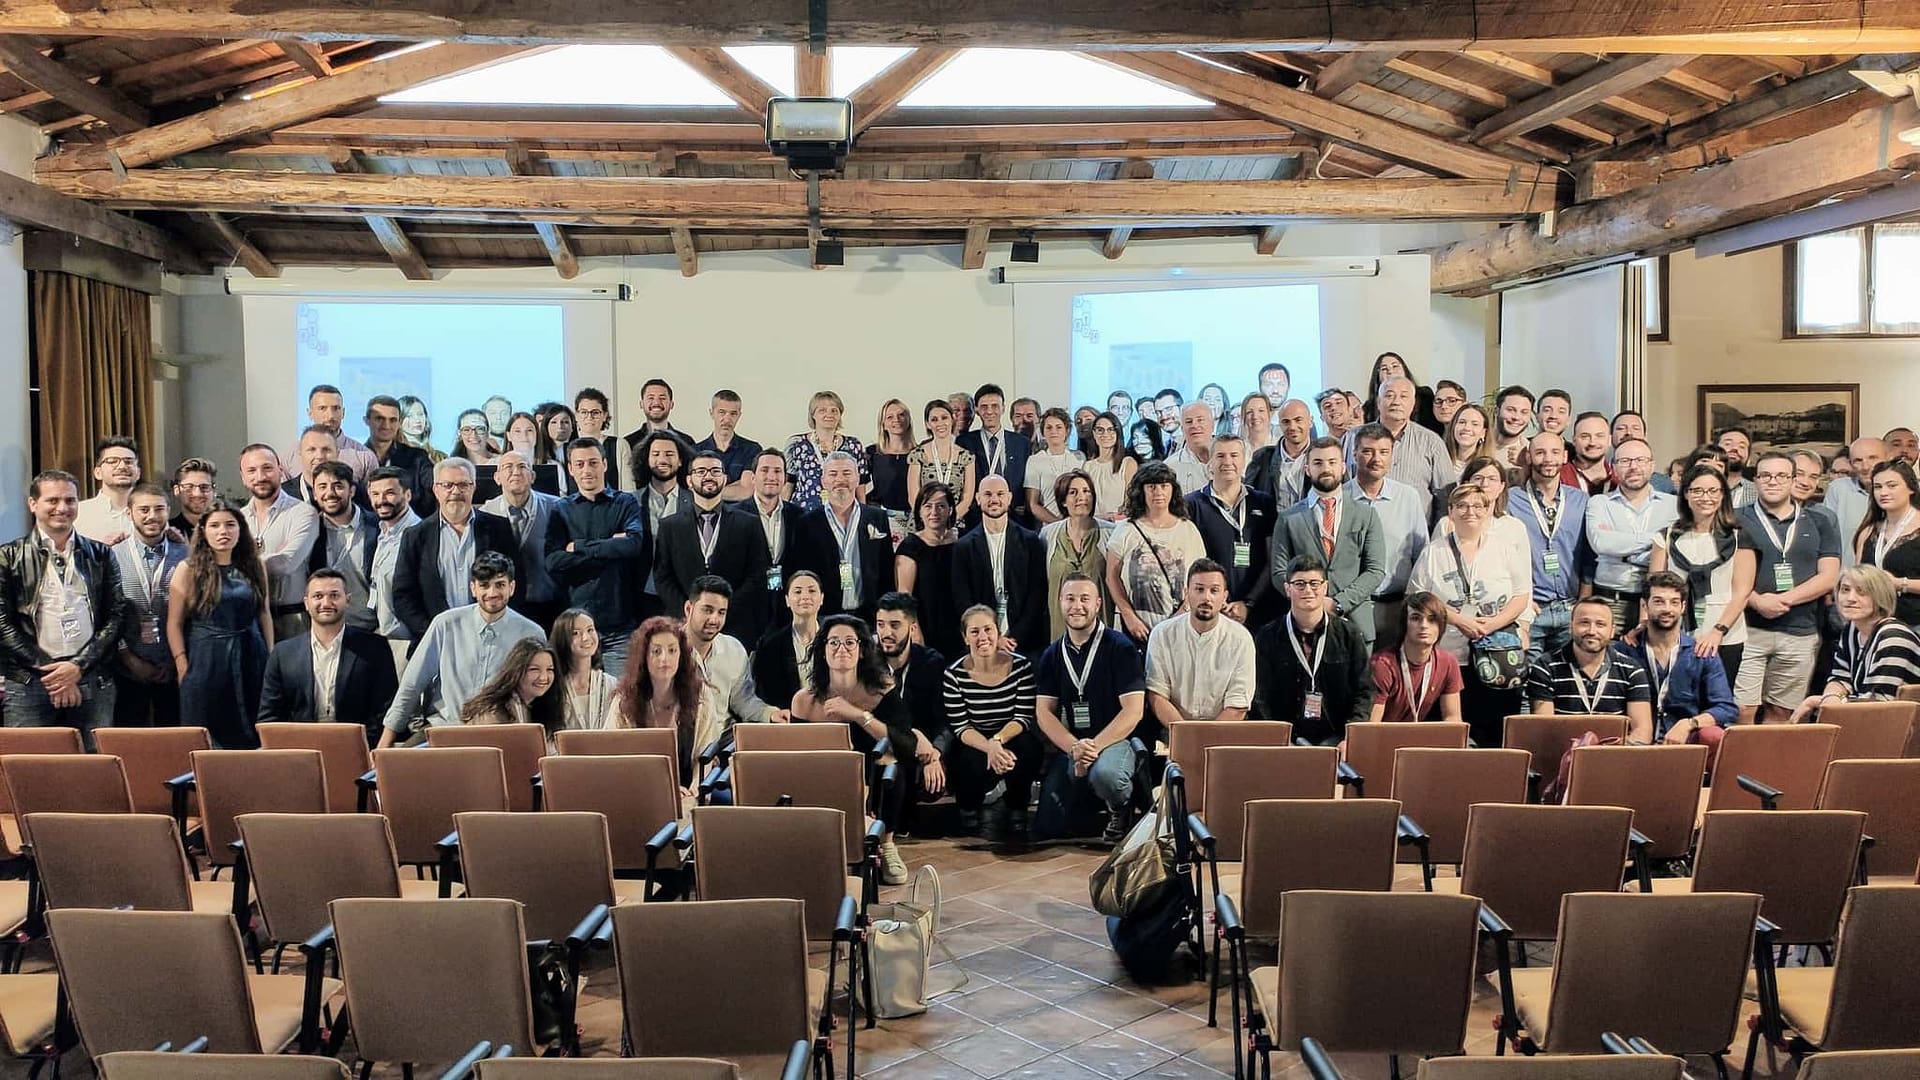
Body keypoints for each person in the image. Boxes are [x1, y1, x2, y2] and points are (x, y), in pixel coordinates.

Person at [1, 470, 126, 747]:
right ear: (33, 504)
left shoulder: (101, 554)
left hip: (91, 677)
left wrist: (77, 667)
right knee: (28, 765)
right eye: (53, 500)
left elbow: (116, 616)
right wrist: (54, 674)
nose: (62, 508)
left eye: (70, 500)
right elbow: (2, 623)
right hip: (29, 682)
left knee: (94, 765)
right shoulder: (8, 556)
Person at [791, 614, 917, 878]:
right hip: (824, 776)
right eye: (834, 642)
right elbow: (795, 755)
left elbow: (905, 745)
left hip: (872, 774)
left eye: (850, 642)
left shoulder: (882, 690)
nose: (842, 649)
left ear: (861, 650)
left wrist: (859, 715)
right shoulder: (804, 700)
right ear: (823, 650)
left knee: (891, 764)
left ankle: (887, 843)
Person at [380, 553, 547, 748]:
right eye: (484, 585)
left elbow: (541, 695)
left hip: (502, 734)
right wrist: (385, 742)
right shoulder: (445, 624)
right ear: (473, 588)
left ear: (512, 587)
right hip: (446, 727)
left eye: (500, 585)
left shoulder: (531, 633)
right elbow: (412, 683)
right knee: (398, 763)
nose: (492, 592)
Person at [1409, 484, 1531, 746]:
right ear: (1451, 512)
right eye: (1462, 506)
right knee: (1450, 730)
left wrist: (1494, 623)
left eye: (1477, 506)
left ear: (1488, 510)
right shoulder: (1434, 552)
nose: (1470, 512)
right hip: (1449, 651)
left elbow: (1522, 595)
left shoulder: (1504, 548)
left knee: (1493, 730)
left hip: (1495, 650)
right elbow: (1417, 596)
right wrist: (1456, 619)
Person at [1034, 573, 1145, 842]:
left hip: (1116, 740)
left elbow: (1133, 711)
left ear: (1097, 604)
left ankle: (1121, 808)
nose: (1077, 606)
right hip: (1075, 743)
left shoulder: (1121, 647)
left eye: (1084, 599)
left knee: (1106, 775)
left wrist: (1093, 747)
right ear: (1060, 602)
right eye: (1070, 599)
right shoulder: (1052, 654)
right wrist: (1074, 747)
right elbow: (1043, 712)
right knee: (1048, 824)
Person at [1735, 451, 1841, 724]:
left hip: (1800, 631)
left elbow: (1828, 576)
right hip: (1746, 630)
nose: (1773, 481)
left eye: (1781, 475)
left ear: (1793, 480)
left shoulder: (1820, 521)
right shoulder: (1734, 519)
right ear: (1755, 480)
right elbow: (1724, 574)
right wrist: (1757, 601)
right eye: (1766, 475)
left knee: (1782, 712)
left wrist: (1784, 600)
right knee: (1742, 710)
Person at [168, 505, 272, 749]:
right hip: (206, 658)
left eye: (230, 525)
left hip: (251, 654)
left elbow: (264, 613)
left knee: (253, 730)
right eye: (215, 526)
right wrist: (182, 665)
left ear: (240, 529)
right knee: (205, 732)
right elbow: (174, 623)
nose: (223, 531)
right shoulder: (188, 569)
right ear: (204, 531)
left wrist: (270, 656)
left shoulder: (255, 565)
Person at [257, 568, 399, 745]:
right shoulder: (283, 653)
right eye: (318, 596)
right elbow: (269, 716)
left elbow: (385, 710)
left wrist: (364, 748)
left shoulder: (375, 648)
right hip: (300, 749)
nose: (326, 603)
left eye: (334, 595)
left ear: (347, 600)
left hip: (358, 747)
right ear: (306, 603)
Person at [545, 438, 646, 676]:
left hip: (619, 625)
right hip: (575, 626)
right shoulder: (561, 509)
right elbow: (553, 561)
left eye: (593, 463)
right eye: (579, 464)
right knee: (576, 695)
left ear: (604, 464)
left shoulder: (625, 502)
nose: (587, 470)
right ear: (571, 469)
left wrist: (579, 547)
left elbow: (632, 545)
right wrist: (611, 547)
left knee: (619, 695)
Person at [1271, 438, 1387, 643]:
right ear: (1307, 469)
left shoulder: (1366, 515)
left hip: (1356, 624)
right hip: (1304, 625)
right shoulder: (1288, 518)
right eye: (1318, 463)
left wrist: (1338, 603)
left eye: (1332, 462)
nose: (1326, 469)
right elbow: (1279, 572)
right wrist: (1312, 600)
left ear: (1343, 467)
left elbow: (1375, 570)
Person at [392, 457, 520, 640]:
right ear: (436, 490)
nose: (456, 491)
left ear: (473, 488)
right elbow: (403, 595)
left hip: (492, 635)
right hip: (436, 640)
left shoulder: (499, 528)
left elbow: (516, 582)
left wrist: (498, 625)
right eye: (447, 485)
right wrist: (433, 632)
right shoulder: (415, 535)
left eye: (463, 485)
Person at [943, 605, 1041, 841]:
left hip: (1009, 735)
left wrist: (998, 741)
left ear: (998, 633)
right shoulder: (953, 674)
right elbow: (961, 727)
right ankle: (968, 808)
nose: (983, 637)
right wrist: (990, 748)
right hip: (975, 739)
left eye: (988, 629)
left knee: (1029, 748)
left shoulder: (1022, 667)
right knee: (964, 757)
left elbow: (1023, 717)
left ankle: (1017, 806)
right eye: (974, 632)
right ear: (965, 637)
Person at [1254, 555, 1374, 746]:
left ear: (1325, 587)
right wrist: (1276, 739)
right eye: (1299, 584)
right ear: (1287, 589)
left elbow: (1364, 691)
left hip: (1337, 737)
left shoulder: (1349, 634)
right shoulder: (1267, 637)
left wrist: (1350, 738)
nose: (1308, 590)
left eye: (1314, 584)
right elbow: (1260, 696)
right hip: (1285, 739)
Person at [1649, 464, 1753, 684]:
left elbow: (1742, 592)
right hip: (1676, 635)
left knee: (1718, 698)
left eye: (1713, 491)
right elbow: (1653, 589)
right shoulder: (1667, 536)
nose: (1705, 497)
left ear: (1723, 495)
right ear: (1686, 494)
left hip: (1725, 636)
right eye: (1697, 490)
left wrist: (1717, 632)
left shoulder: (1739, 536)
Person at [653, 450, 770, 633]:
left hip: (736, 625)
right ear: (689, 481)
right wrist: (690, 611)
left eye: (715, 471)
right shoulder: (669, 526)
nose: (708, 476)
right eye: (701, 471)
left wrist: (723, 610)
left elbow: (758, 574)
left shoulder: (749, 523)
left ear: (724, 478)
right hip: (685, 625)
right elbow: (663, 577)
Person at [1627, 572, 1736, 767]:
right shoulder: (1626, 651)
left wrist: (1690, 723)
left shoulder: (1702, 653)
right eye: (1659, 602)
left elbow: (1726, 708)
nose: (1667, 609)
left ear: (1683, 607)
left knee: (1713, 734)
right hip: (1635, 744)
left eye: (1674, 602)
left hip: (1683, 745)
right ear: (1644, 605)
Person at [1144, 561, 1258, 738]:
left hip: (1225, 734)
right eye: (1199, 589)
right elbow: (1157, 696)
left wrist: (1206, 739)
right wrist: (1186, 736)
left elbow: (1237, 705)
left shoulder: (1241, 639)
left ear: (1224, 597)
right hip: (1173, 731)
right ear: (1186, 593)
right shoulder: (1162, 634)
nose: (1206, 598)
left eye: (1214, 591)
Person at [1345, 423, 1431, 650]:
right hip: (1353, 609)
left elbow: (1422, 554)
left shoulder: (1408, 497)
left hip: (1398, 607)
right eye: (1367, 451)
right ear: (1354, 454)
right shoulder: (1340, 497)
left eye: (1384, 452)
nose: (1376, 459)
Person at [1793, 565, 1920, 719]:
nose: (1850, 598)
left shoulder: (1894, 637)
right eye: (1845, 590)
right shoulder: (1852, 629)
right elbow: (1839, 678)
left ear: (1880, 596)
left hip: (1897, 724)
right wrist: (1830, 698)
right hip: (1871, 719)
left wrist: (1821, 702)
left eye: (1862, 592)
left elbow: (1880, 704)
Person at [873, 593, 951, 839]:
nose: (886, 633)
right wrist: (913, 737)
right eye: (881, 625)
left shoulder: (932, 662)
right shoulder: (868, 662)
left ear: (912, 628)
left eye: (895, 625)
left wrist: (935, 753)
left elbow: (943, 718)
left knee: (933, 783)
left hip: (921, 750)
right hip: (884, 743)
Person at [606, 616, 716, 789]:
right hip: (637, 789)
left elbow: (705, 757)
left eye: (672, 650)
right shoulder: (625, 698)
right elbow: (613, 757)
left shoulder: (701, 695)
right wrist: (666, 790)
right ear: (643, 657)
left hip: (688, 790)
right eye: (656, 651)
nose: (665, 659)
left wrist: (696, 791)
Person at [1525, 597, 1654, 744]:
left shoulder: (1632, 670)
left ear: (1612, 631)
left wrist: (1608, 754)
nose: (1592, 631)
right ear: (1570, 627)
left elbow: (1642, 731)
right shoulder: (1545, 667)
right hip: (1561, 754)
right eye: (1584, 623)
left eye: (1600, 624)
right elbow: (1544, 730)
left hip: (1615, 754)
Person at [110, 484, 187, 728]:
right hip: (127, 667)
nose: (152, 516)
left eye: (159, 509)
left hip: (177, 666)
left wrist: (177, 662)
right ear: (129, 513)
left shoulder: (186, 555)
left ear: (168, 511)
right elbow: (106, 615)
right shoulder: (112, 556)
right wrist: (129, 659)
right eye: (144, 509)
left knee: (177, 739)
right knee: (131, 740)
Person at [1105, 461, 1208, 644]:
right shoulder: (1126, 530)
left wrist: (1181, 613)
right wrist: (1129, 616)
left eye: (1164, 486)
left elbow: (1200, 578)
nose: (1158, 492)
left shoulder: (1188, 530)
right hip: (1135, 629)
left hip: (1179, 627)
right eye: (1151, 487)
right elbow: (1111, 576)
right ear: (1142, 491)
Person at [1512, 432, 1591, 661]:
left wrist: (1583, 602)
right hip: (1530, 610)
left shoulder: (1581, 500)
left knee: (1568, 676)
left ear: (1565, 456)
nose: (1548, 458)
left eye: (1555, 452)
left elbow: (1589, 555)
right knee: (1529, 678)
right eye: (1540, 452)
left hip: (1570, 608)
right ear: (1528, 457)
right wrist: (1522, 603)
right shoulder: (1510, 500)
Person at [1586, 437, 1677, 632]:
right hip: (1611, 601)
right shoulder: (1599, 503)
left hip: (1660, 604)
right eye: (1625, 461)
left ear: (1652, 465)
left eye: (1640, 460)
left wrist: (1623, 552)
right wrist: (1658, 539)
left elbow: (1676, 550)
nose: (1633, 467)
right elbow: (1601, 543)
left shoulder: (1674, 505)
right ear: (1614, 468)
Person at [952, 476, 1048, 659]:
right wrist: (991, 637)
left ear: (1009, 498)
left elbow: (1037, 594)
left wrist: (1014, 637)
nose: (994, 499)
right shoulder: (963, 547)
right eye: (988, 494)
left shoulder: (1031, 542)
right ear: (978, 499)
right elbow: (962, 599)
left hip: (1025, 643)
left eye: (1000, 494)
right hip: (981, 645)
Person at [1186, 435, 1276, 630]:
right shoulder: (1191, 505)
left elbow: (1272, 560)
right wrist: (1217, 600)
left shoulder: (1264, 502)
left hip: (1257, 611)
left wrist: (1249, 603)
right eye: (1220, 456)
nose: (1227, 462)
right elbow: (1189, 563)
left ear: (1244, 461)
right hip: (1210, 610)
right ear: (1210, 462)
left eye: (1234, 455)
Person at [794, 452, 894, 623]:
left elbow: (887, 570)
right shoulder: (806, 523)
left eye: (846, 473)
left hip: (869, 617)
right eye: (833, 474)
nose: (840, 479)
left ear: (857, 478)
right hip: (825, 616)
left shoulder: (877, 517)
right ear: (823, 481)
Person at [238, 444, 319, 643]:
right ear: (243, 477)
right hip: (248, 620)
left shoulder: (302, 513)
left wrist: (241, 563)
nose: (260, 476)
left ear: (280, 471)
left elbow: (286, 564)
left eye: (267, 468)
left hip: (292, 619)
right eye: (251, 470)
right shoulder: (238, 518)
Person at [682, 576, 783, 728]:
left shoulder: (733, 649)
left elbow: (743, 700)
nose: (714, 619)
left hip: (723, 736)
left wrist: (769, 714)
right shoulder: (666, 650)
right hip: (677, 734)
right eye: (707, 610)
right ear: (689, 609)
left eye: (721, 612)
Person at [481, 451, 566, 629]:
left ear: (533, 476)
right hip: (505, 609)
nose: (516, 472)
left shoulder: (557, 508)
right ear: (497, 477)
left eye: (522, 466)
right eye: (508, 467)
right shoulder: (485, 513)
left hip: (550, 605)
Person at [730, 448, 805, 642]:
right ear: (753, 477)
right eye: (765, 470)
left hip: (786, 611)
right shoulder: (733, 516)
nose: (771, 476)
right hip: (746, 611)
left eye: (777, 471)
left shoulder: (799, 516)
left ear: (785, 478)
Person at [1368, 592, 1465, 724]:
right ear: (1404, 625)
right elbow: (1371, 726)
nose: (1424, 625)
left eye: (1432, 619)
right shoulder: (1382, 665)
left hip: (1419, 734)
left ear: (1441, 626)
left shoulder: (1448, 662)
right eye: (1415, 618)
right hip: (1383, 734)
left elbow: (1453, 718)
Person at [307, 460, 379, 632]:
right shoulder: (308, 530)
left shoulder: (377, 527)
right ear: (314, 493)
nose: (330, 493)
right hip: (326, 629)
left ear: (352, 491)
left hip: (373, 629)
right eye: (322, 487)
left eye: (338, 486)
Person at [1041, 471, 1112, 642]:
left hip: (1101, 630)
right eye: (1073, 492)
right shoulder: (1047, 535)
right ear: (1063, 500)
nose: (1082, 497)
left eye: (1087, 491)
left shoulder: (1110, 533)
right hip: (1060, 631)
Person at [896, 482, 963, 660]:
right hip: (925, 626)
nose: (934, 512)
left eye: (941, 506)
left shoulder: (962, 543)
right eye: (928, 506)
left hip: (958, 628)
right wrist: (915, 631)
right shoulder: (910, 547)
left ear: (950, 510)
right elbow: (904, 594)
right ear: (919, 511)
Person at [1852, 460, 1920, 625]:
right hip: (1874, 621)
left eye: (1892, 486)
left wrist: (1900, 584)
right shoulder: (1868, 531)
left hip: (1914, 623)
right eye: (1878, 487)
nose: (1883, 492)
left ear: (1911, 488)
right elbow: (1857, 575)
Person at [634, 430, 693, 618]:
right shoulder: (631, 501)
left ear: (680, 460)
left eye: (669, 454)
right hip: (642, 595)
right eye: (656, 454)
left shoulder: (695, 502)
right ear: (647, 459)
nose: (662, 460)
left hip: (683, 595)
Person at [750, 570, 824, 718]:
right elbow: (767, 693)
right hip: (788, 720)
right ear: (787, 600)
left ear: (821, 598)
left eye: (811, 591)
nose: (805, 597)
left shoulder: (835, 640)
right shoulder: (770, 646)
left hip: (830, 718)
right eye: (798, 592)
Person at [958, 384, 1032, 527]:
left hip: (1014, 520)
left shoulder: (1022, 443)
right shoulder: (964, 442)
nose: (989, 411)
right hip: (976, 520)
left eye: (995, 406)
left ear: (1003, 408)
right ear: (977, 410)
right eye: (984, 407)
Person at [457, 638, 562, 738]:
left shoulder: (538, 706)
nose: (544, 677)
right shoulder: (493, 712)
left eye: (550, 669)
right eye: (534, 669)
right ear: (516, 671)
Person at [785, 390, 868, 512]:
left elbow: (860, 487)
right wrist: (782, 515)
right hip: (804, 514)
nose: (829, 414)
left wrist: (864, 515)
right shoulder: (797, 444)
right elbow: (788, 485)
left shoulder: (853, 445)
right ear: (813, 415)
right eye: (822, 410)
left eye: (834, 410)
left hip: (844, 515)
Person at [363, 395, 437, 516]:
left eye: (392, 420)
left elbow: (435, 488)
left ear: (399, 423)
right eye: (379, 419)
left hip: (414, 525)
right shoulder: (356, 458)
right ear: (366, 420)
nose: (386, 425)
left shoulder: (418, 457)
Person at [288, 385, 379, 483]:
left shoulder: (365, 458)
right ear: (310, 413)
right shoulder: (290, 456)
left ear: (343, 412)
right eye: (322, 408)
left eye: (336, 408)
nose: (330, 416)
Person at [908, 399, 977, 524]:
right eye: (934, 419)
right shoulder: (918, 455)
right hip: (923, 524)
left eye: (944, 418)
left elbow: (967, 498)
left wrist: (948, 522)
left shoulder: (967, 457)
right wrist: (930, 522)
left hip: (954, 523)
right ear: (928, 424)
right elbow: (913, 497)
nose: (940, 423)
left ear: (952, 419)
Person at [549, 607, 615, 731]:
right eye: (575, 633)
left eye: (590, 630)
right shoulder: (553, 685)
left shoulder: (611, 684)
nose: (586, 638)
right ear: (562, 639)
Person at [694, 390, 762, 502]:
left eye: (733, 414)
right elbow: (691, 488)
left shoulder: (752, 449)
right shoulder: (695, 451)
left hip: (741, 512)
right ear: (711, 413)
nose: (727, 419)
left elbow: (747, 490)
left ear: (739, 415)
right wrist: (736, 485)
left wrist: (706, 491)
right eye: (722, 412)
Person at [74, 437, 141, 544]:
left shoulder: (151, 513)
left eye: (129, 462)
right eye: (112, 461)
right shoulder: (78, 513)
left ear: (138, 473)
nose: (122, 466)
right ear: (98, 473)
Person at [1025, 408, 1086, 525]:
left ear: (1067, 431)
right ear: (1043, 432)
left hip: (1079, 523)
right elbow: (1033, 504)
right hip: (1050, 525)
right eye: (1049, 428)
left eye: (1059, 427)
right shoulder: (1035, 460)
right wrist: (1060, 524)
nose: (1054, 431)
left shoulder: (1079, 458)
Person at [620, 378, 696, 466]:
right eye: (651, 398)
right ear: (641, 404)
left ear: (671, 404)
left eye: (662, 398)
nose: (656, 402)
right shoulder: (628, 443)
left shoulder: (686, 441)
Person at [1361, 352, 1437, 431]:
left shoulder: (1424, 395)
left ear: (1404, 370)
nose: (1390, 371)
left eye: (1395, 366)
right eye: (1384, 369)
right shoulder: (1369, 407)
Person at [1081, 412, 1135, 522]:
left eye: (1110, 429)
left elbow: (1130, 504)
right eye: (1100, 430)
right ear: (1094, 434)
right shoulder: (1087, 467)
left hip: (1118, 525)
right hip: (1092, 525)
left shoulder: (1128, 463)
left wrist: (1112, 518)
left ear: (1117, 433)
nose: (1105, 434)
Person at [1263, 399, 1315, 508]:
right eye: (1286, 422)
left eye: (1298, 420)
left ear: (1310, 421)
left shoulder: (1325, 455)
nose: (1292, 427)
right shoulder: (1263, 458)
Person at [869, 398, 917, 520]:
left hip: (914, 516)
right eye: (890, 417)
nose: (896, 419)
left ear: (909, 420)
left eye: (901, 415)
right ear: (883, 424)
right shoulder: (872, 453)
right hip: (881, 517)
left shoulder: (920, 453)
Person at [572, 387, 621, 489]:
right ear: (576, 415)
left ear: (605, 415)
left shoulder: (618, 445)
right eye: (584, 412)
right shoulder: (567, 447)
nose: (589, 417)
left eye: (595, 412)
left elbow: (628, 489)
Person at [283, 426, 342, 507]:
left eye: (326, 449)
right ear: (300, 453)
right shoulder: (283, 494)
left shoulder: (354, 493)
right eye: (312, 450)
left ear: (337, 453)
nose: (319, 456)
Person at [1563, 413, 1617, 495]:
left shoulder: (1620, 479)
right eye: (1585, 436)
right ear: (1574, 441)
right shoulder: (1560, 477)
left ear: (1609, 440)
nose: (1592, 443)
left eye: (1599, 436)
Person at [1166, 402, 1215, 492]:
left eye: (1200, 420)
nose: (1194, 426)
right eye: (1189, 422)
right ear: (1182, 429)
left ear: (1212, 425)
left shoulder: (1231, 458)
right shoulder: (1170, 467)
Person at [535, 402, 579, 498]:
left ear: (573, 426)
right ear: (546, 426)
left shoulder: (581, 452)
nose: (560, 426)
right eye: (554, 422)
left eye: (565, 422)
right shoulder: (537, 455)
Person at [169, 458, 219, 539]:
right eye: (189, 487)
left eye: (204, 487)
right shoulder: (166, 534)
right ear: (177, 490)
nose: (197, 494)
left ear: (214, 491)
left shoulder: (226, 532)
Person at [1491, 385, 1535, 473]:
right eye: (1510, 410)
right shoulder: (1475, 444)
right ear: (1496, 411)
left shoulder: (1531, 454)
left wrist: (1526, 465)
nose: (1516, 417)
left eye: (1524, 412)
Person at [1442, 404, 1489, 483]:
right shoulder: (1438, 460)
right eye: (1462, 422)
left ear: (1483, 433)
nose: (1467, 428)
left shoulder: (1488, 467)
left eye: (1475, 424)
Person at [1717, 428, 1760, 508]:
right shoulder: (1696, 487)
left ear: (1748, 457)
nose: (1735, 448)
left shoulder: (1759, 492)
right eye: (1727, 444)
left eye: (1742, 446)